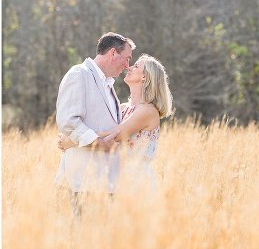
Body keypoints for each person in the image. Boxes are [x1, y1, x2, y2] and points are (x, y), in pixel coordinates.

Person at [58, 54, 173, 188]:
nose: (129, 67)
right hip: (118, 177)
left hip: (137, 179)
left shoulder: (148, 111)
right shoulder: (123, 107)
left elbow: (114, 134)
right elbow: (101, 129)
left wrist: (71, 141)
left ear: (144, 77)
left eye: (136, 66)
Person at [54, 32, 135, 212]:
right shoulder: (79, 74)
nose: (127, 65)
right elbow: (68, 120)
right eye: (127, 58)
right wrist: (98, 143)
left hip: (106, 183)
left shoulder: (109, 84)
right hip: (81, 182)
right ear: (113, 53)